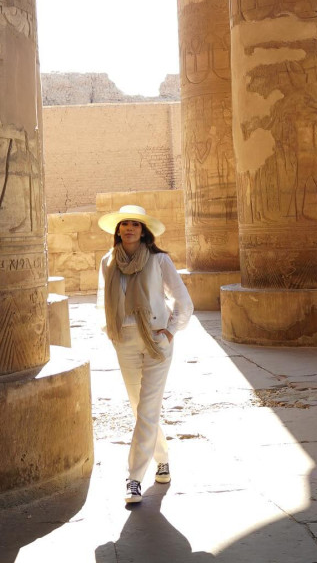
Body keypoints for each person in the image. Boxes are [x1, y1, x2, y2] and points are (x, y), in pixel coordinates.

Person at [96, 204, 194, 504]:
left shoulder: (158, 260)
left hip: (156, 341)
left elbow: (184, 302)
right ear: (118, 230)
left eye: (135, 225)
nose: (129, 229)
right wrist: (112, 332)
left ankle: (134, 478)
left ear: (143, 231)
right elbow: (103, 300)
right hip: (124, 340)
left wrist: (170, 331)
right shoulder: (108, 261)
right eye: (124, 224)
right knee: (140, 407)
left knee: (148, 409)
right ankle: (162, 459)